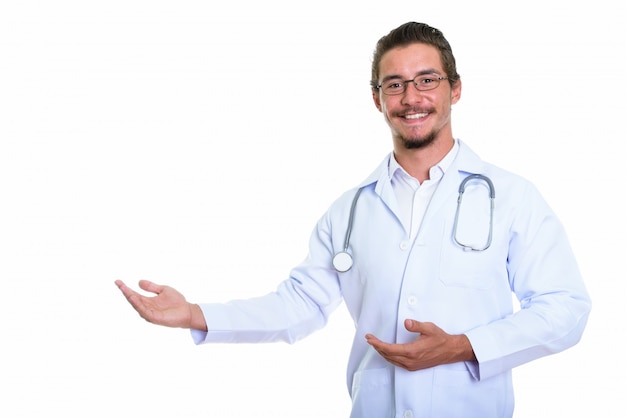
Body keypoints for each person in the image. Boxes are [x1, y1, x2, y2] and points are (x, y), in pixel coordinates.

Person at [115, 21, 591, 418]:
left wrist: (465, 346)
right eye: (395, 84)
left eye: (427, 80)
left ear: (456, 89)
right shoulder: (349, 211)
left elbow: (566, 309)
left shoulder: (511, 197)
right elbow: (297, 306)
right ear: (376, 98)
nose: (411, 97)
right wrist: (196, 315)